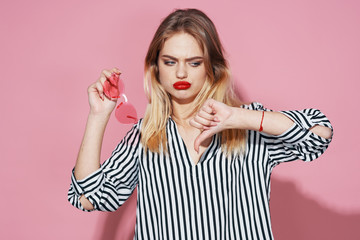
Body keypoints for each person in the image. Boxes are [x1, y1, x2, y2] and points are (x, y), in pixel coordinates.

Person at [68, 8, 333, 240]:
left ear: (211, 67)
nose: (181, 73)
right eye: (170, 62)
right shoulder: (144, 137)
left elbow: (319, 134)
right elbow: (88, 197)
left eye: (194, 63)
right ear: (156, 68)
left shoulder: (249, 127)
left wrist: (240, 117)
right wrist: (98, 115)